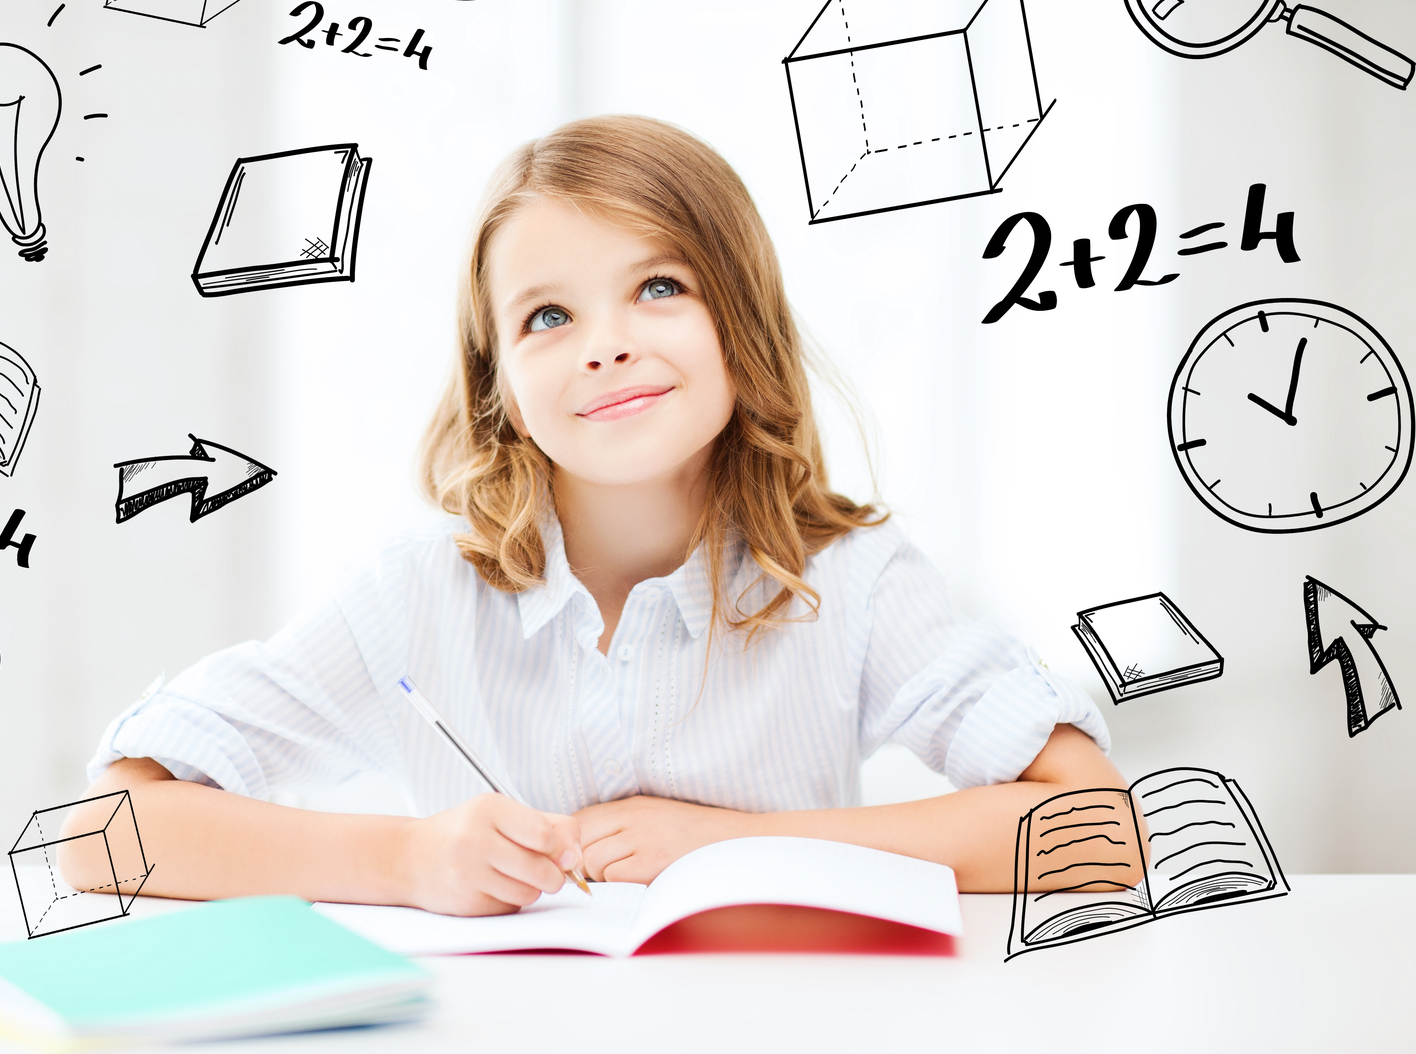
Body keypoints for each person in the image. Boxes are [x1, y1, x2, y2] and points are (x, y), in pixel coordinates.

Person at [80, 115, 1126, 916]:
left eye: (659, 286)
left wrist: (739, 851)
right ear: (498, 385)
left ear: (741, 321)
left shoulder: (850, 579)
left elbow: (1098, 830)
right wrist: (406, 859)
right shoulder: (417, 593)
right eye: (548, 315)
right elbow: (100, 834)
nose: (605, 344)